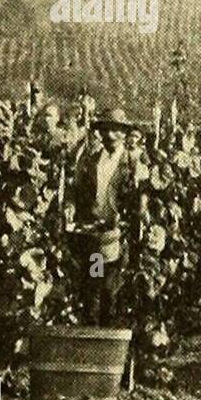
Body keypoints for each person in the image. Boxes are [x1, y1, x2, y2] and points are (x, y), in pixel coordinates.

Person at [68, 108, 140, 327]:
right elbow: (78, 191)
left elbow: (138, 202)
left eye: (116, 130)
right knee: (95, 283)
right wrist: (72, 209)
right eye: (106, 129)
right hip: (96, 235)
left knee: (112, 287)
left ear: (124, 133)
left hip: (120, 236)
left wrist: (128, 221)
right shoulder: (91, 161)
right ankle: (94, 332)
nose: (110, 135)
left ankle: (111, 330)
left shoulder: (131, 164)